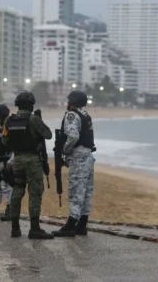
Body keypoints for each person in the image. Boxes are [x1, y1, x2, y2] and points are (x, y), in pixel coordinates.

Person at [2, 90, 54, 239]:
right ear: (31, 105)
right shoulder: (33, 119)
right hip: (32, 160)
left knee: (17, 191)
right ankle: (34, 228)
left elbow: (4, 142)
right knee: (35, 192)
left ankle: (15, 228)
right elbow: (48, 134)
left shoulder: (8, 121)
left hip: (17, 160)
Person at [52, 90, 96, 237]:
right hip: (88, 156)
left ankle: (71, 224)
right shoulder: (86, 115)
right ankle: (82, 225)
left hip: (78, 156)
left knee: (76, 191)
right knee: (86, 191)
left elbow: (73, 136)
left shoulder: (72, 115)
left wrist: (64, 150)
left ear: (73, 102)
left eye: (69, 100)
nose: (67, 103)